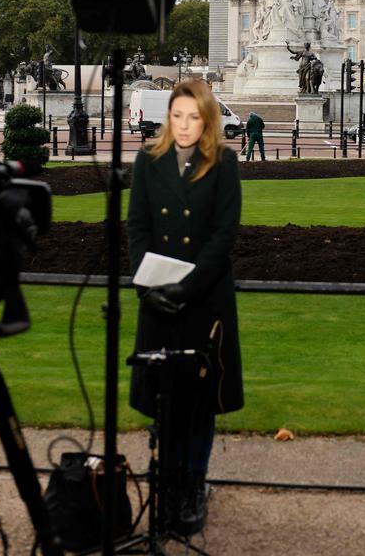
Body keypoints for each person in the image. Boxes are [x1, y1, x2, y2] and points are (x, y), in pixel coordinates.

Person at [127, 79, 243, 537]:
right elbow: (137, 227)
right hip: (157, 298)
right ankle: (168, 483)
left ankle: (192, 484)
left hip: (203, 301)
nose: (184, 124)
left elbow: (223, 235)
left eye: (194, 117)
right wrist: (146, 286)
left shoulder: (224, 163)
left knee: (199, 403)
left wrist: (187, 288)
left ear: (207, 120)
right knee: (165, 401)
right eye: (178, 115)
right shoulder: (147, 161)